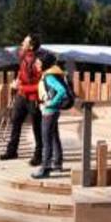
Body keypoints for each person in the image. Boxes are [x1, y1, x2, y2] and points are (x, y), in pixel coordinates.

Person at [4, 35, 44, 165]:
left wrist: (21, 86)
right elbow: (22, 73)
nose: (22, 42)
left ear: (31, 46)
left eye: (25, 41)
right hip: (22, 96)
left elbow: (41, 84)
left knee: (37, 127)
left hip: (34, 98)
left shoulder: (38, 62)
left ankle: (38, 155)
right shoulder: (23, 56)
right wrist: (17, 82)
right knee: (15, 121)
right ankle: (12, 151)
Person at [32, 51, 70, 179]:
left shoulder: (49, 77)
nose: (36, 64)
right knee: (54, 137)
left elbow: (62, 91)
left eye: (38, 62)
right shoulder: (51, 74)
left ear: (45, 64)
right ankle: (57, 164)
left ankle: (45, 168)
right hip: (53, 111)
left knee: (46, 140)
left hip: (49, 112)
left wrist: (50, 103)